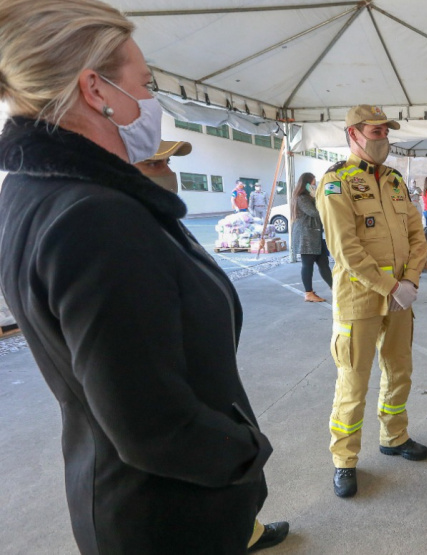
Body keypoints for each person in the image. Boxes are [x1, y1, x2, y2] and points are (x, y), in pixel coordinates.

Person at [0, 2, 276, 553]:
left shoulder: (33, 189)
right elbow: (151, 425)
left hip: (123, 493)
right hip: (168, 514)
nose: (151, 102)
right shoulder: (97, 218)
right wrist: (247, 454)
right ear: (96, 90)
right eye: (144, 84)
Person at [133, 141, 289, 551]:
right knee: (204, 496)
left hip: (214, 379)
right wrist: (241, 450)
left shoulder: (160, 216)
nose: (169, 172)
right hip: (185, 397)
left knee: (231, 500)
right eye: (155, 163)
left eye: (168, 162)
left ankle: (247, 529)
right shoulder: (121, 227)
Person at [315, 105, 427, 499]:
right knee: (353, 381)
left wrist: (410, 280)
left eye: (386, 132)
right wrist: (391, 287)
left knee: (400, 371)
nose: (383, 139)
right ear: (354, 135)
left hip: (401, 297)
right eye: (376, 132)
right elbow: (345, 249)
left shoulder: (395, 181)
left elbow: (418, 235)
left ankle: (394, 437)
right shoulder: (336, 183)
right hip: (359, 300)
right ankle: (344, 460)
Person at [292, 172, 333, 303]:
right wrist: (318, 198)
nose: (315, 186)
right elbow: (314, 212)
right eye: (313, 184)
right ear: (306, 184)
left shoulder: (309, 197)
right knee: (307, 264)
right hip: (306, 236)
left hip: (315, 235)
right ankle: (308, 293)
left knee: (323, 263)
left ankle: (335, 288)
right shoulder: (302, 197)